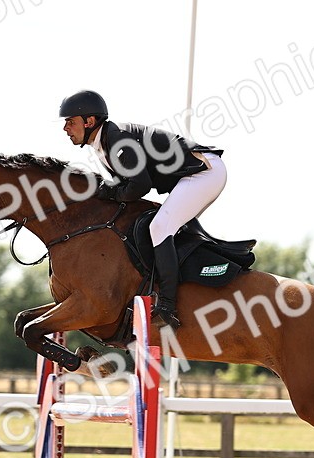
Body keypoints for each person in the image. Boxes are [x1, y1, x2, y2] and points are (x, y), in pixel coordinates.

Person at [60, 89, 226, 329]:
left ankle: (168, 304)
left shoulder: (117, 141)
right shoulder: (104, 143)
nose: (66, 128)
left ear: (90, 121)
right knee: (158, 226)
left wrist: (110, 192)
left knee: (160, 227)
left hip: (204, 173)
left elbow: (139, 185)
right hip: (193, 176)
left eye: (70, 122)